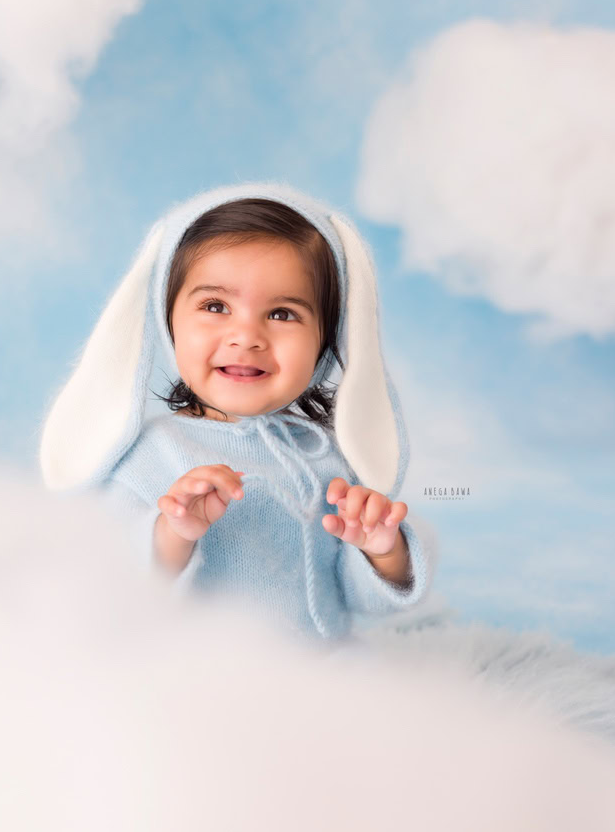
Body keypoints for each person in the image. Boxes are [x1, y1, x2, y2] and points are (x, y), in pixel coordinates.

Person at [39, 181, 436, 646]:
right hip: (197, 675)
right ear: (169, 321)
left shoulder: (330, 458)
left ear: (327, 340)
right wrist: (173, 533)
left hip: (322, 681)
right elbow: (112, 584)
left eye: (283, 314)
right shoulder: (149, 456)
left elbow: (362, 601)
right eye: (215, 306)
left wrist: (382, 551)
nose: (246, 336)